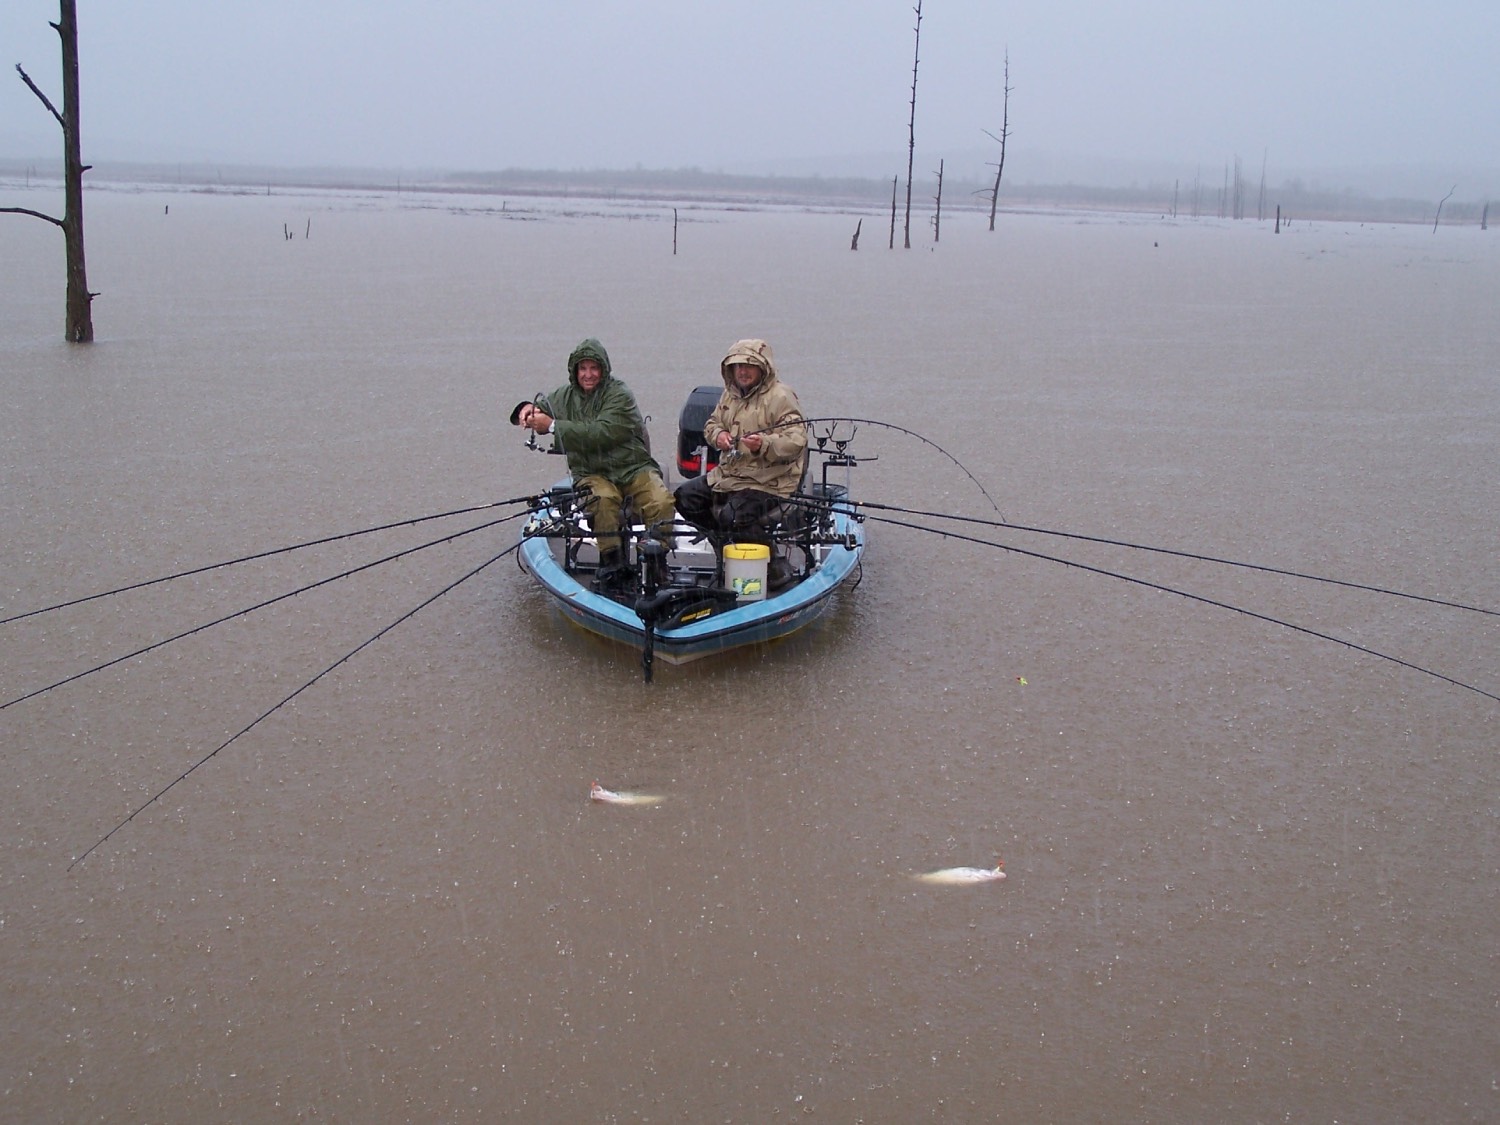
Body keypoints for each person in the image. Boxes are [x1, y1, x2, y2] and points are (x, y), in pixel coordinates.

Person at [511, 338, 676, 590]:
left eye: (593, 368)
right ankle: (612, 563)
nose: (588, 375)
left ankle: (656, 562)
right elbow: (539, 408)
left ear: (603, 369)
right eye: (582, 369)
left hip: (633, 468)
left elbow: (601, 433)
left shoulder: (620, 394)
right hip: (592, 472)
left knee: (661, 501)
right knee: (603, 500)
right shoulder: (563, 397)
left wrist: (553, 426)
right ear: (574, 371)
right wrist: (527, 409)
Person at [674, 338, 807, 589]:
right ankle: (724, 546)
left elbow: (797, 439)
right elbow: (712, 425)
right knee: (684, 496)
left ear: (763, 368)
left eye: (749, 366)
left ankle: (773, 564)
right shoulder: (729, 395)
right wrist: (719, 437)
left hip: (770, 480)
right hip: (730, 474)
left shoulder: (781, 396)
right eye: (737, 366)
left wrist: (764, 444)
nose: (742, 372)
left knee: (733, 515)